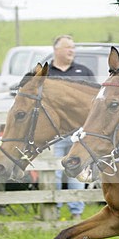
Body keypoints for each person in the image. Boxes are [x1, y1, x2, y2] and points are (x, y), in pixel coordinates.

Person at [48, 35, 95, 221]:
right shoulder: (46, 73)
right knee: (54, 171)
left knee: (77, 170)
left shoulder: (83, 71)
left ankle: (77, 212)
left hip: (78, 132)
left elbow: (95, 100)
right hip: (55, 133)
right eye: (67, 47)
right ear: (56, 50)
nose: (71, 51)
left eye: (73, 48)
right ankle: (54, 210)